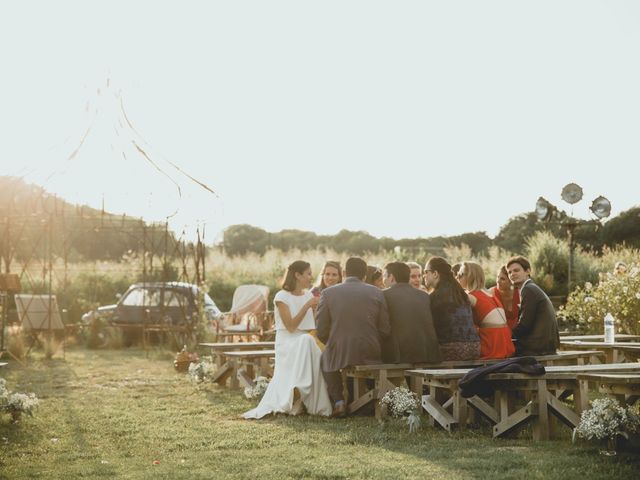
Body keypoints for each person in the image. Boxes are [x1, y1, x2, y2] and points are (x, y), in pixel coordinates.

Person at [243, 261, 332, 419]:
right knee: (306, 342)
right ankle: (297, 396)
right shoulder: (281, 296)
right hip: (287, 342)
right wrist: (306, 306)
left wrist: (315, 308)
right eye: (308, 273)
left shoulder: (308, 295)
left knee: (309, 343)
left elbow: (312, 326)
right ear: (297, 275)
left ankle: (304, 398)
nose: (311, 277)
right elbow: (290, 326)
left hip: (304, 340)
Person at [316, 257, 390, 416]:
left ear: (343, 273)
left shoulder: (328, 293)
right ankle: (365, 399)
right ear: (364, 275)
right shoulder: (377, 292)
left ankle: (339, 402)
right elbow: (385, 329)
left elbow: (321, 329)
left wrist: (333, 343)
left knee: (326, 358)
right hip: (370, 349)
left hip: (339, 349)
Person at [381, 262, 441, 364]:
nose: (383, 280)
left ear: (391, 277)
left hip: (400, 355)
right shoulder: (424, 296)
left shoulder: (383, 295)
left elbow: (383, 329)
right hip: (427, 353)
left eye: (384, 276)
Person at [423, 256, 480, 361]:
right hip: (475, 348)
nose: (424, 276)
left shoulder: (435, 297)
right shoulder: (460, 293)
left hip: (452, 349)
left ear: (435, 274)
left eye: (426, 272)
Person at [458, 262, 515, 360]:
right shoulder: (488, 293)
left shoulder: (470, 296)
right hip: (504, 343)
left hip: (491, 344)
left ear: (470, 276)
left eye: (460, 274)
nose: (457, 277)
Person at [506, 256, 560, 356]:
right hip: (544, 344)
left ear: (528, 271)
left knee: (499, 350)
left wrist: (506, 334)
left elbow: (525, 325)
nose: (512, 274)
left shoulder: (529, 289)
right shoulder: (531, 287)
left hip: (538, 346)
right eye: (509, 272)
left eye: (516, 270)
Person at [490, 266, 520, 330]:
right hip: (499, 332)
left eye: (502, 279)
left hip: (519, 333)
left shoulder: (520, 293)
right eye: (497, 277)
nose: (498, 281)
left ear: (511, 281)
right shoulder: (491, 293)